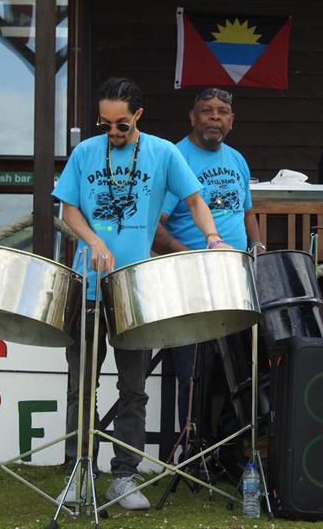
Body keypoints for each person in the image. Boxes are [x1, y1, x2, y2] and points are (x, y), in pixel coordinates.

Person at [52, 77, 231, 510]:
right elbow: (68, 208)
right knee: (82, 385)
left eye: (121, 125)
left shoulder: (163, 153)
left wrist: (211, 237)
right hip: (89, 286)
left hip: (136, 288)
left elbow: (194, 201)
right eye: (105, 124)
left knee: (133, 388)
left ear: (138, 116)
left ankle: (125, 477)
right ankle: (79, 473)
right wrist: (93, 241)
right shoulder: (84, 153)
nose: (112, 133)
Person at [153, 87, 264, 448]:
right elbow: (156, 226)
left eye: (222, 112)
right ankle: (193, 448)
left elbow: (247, 212)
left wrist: (257, 248)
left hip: (234, 277)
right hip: (191, 278)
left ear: (231, 121)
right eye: (206, 111)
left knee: (240, 366)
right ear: (192, 117)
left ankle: (229, 448)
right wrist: (192, 256)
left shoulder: (237, 159)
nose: (214, 117)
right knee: (195, 371)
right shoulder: (176, 158)